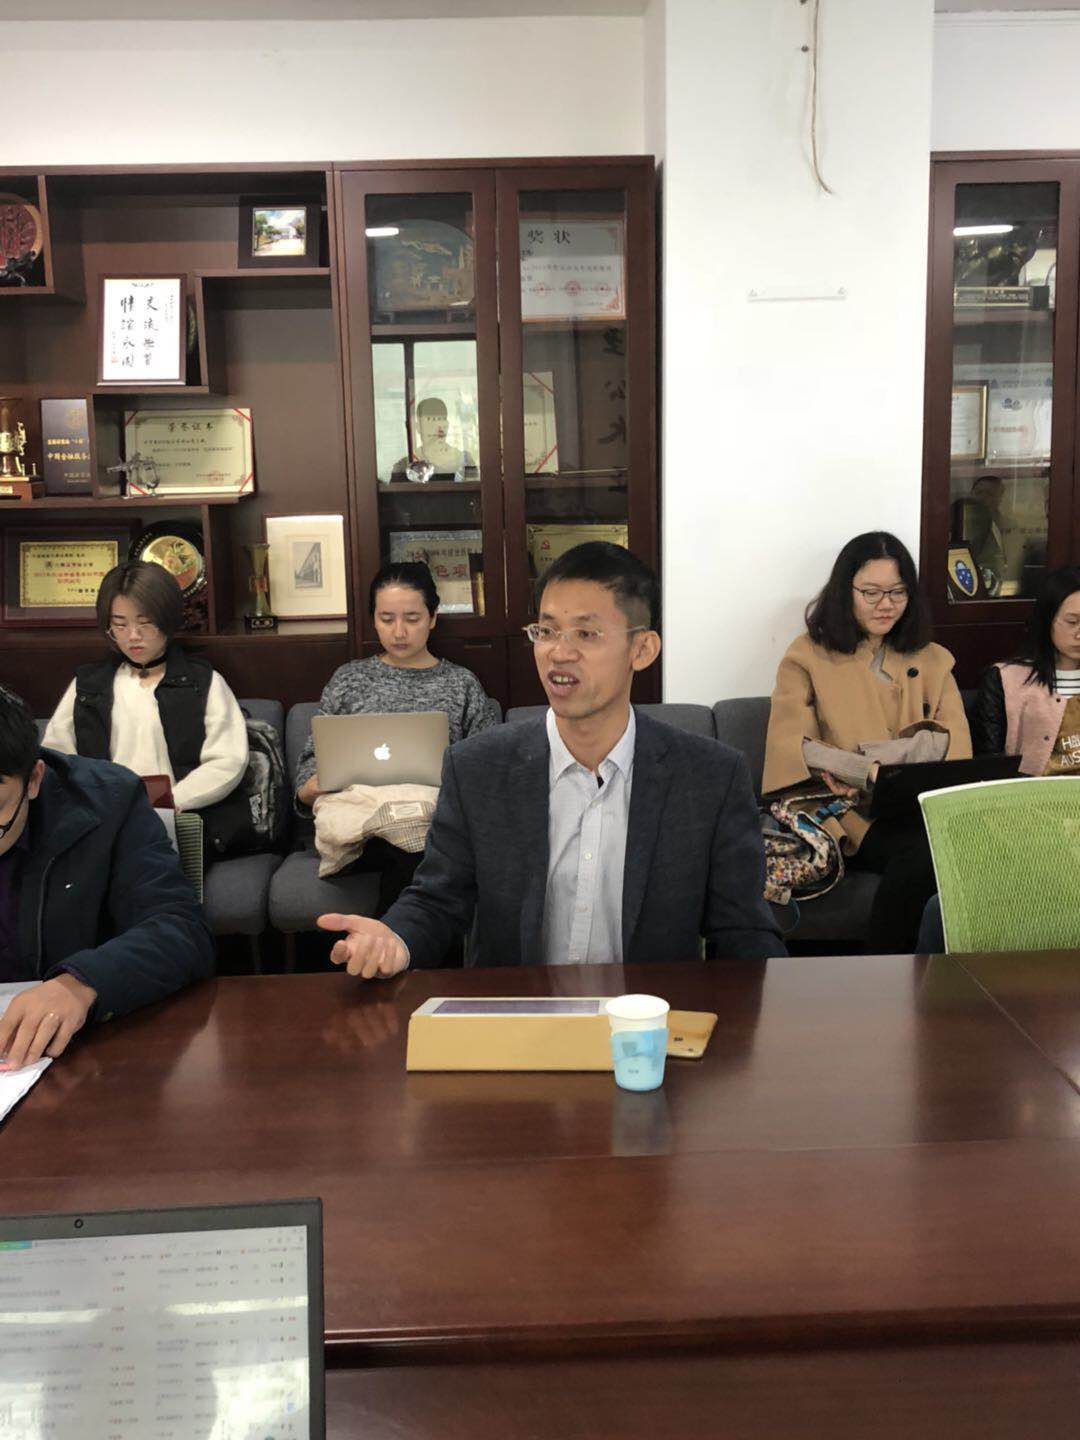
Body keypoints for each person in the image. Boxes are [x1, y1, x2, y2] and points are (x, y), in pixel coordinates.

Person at [317, 541, 785, 978]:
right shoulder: (477, 768)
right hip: (518, 1019)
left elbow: (743, 932)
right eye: (546, 630)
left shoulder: (709, 777)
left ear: (642, 650)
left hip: (645, 1024)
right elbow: (437, 899)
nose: (559, 653)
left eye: (586, 633)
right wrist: (395, 940)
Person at [762, 531, 971, 954]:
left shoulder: (934, 658)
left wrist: (869, 761)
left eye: (897, 592)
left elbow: (953, 744)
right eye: (871, 593)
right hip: (846, 810)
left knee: (958, 847)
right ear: (845, 591)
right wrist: (867, 771)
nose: (885, 604)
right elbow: (793, 744)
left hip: (921, 805)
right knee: (921, 856)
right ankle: (886, 972)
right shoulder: (807, 655)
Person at [0, 685, 213, 1072]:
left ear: (33, 779)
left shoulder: (108, 801)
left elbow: (180, 928)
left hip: (87, 1059)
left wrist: (80, 983)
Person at [296, 559, 499, 913]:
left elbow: (488, 765)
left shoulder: (461, 684)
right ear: (373, 619)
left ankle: (389, 940)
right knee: (409, 849)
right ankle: (408, 940)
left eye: (412, 618)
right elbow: (309, 768)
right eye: (387, 619)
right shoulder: (348, 680)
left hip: (432, 822)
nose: (399, 632)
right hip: (360, 828)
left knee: (415, 841)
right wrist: (310, 788)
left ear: (433, 618)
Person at [44, 561, 248, 814]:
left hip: (182, 814)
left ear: (168, 620)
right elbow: (55, 755)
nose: (133, 636)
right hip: (102, 815)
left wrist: (170, 801)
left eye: (145, 623)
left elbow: (228, 760)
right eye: (120, 625)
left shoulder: (203, 682)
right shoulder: (88, 685)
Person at [972, 563, 1080, 774]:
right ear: (1047, 621)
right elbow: (989, 763)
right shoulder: (1005, 680)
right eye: (1072, 622)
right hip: (1030, 792)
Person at [392, 397, 475, 481]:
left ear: (447, 424)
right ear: (418, 427)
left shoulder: (464, 460)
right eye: (432, 419)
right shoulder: (403, 467)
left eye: (442, 419)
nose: (439, 426)